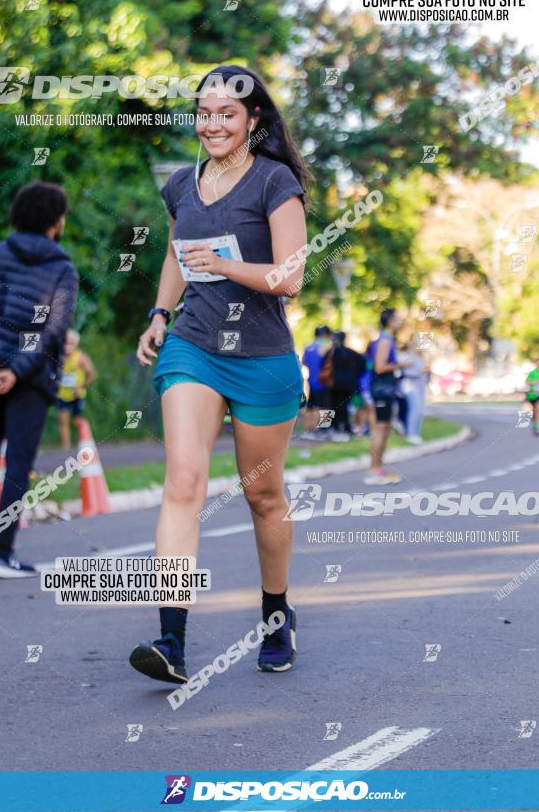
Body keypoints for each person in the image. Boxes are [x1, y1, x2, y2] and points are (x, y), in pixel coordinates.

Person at [130, 64, 310, 684]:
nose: (213, 124)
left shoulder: (274, 181)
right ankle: (170, 641)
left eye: (227, 114)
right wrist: (159, 312)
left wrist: (228, 267)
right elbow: (177, 256)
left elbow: (291, 276)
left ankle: (276, 613)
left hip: (262, 358)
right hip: (194, 347)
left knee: (263, 496)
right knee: (183, 480)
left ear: (252, 120)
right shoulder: (182, 183)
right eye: (205, 113)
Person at [0, 181, 78, 577]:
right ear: (56, 222)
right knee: (18, 465)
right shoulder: (62, 269)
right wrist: (16, 370)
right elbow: (53, 331)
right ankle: (1, 552)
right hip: (33, 377)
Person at [364, 308, 409, 485]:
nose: (399, 321)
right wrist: (401, 364)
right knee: (380, 430)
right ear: (390, 321)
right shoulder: (384, 341)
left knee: (385, 429)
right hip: (381, 390)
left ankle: (378, 468)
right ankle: (374, 470)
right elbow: (379, 367)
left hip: (385, 390)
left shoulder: (388, 339)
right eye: (397, 318)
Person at [57, 330, 96, 449]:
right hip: (62, 394)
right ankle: (66, 448)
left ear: (76, 344)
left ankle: (85, 443)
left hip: (77, 394)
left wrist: (81, 386)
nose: (67, 346)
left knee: (77, 420)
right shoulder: (59, 357)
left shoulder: (81, 357)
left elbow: (92, 374)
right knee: (63, 420)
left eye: (71, 343)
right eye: (65, 343)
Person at [329, 331, 366, 439]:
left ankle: (332, 427)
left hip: (334, 384)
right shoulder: (352, 353)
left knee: (332, 406)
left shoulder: (331, 352)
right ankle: (346, 427)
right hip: (348, 384)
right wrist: (354, 375)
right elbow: (362, 365)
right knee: (345, 406)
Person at [301, 325, 333, 438]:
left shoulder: (308, 346)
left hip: (311, 381)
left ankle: (308, 430)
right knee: (325, 406)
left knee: (311, 406)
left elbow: (303, 362)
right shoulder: (326, 346)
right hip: (324, 381)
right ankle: (323, 430)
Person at [400, 339, 430, 445]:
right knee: (414, 410)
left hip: (421, 387)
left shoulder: (423, 358)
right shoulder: (410, 358)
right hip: (411, 387)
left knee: (421, 411)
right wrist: (420, 371)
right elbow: (405, 372)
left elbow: (426, 373)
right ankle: (411, 434)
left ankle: (416, 434)